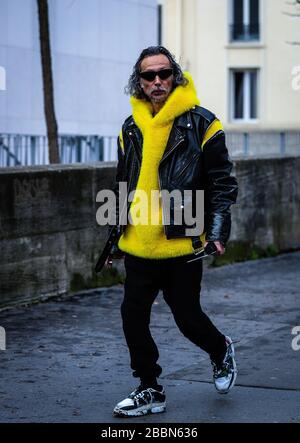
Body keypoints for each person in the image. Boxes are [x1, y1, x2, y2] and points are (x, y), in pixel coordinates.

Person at [101, 46, 238, 418]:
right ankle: (150, 388)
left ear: (174, 76)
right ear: (140, 82)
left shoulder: (202, 123)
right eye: (149, 76)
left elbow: (223, 183)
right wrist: (113, 238)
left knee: (187, 317)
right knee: (132, 315)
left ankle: (220, 349)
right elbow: (122, 184)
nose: (157, 81)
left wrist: (218, 229)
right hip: (138, 246)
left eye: (164, 73)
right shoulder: (130, 127)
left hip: (183, 242)